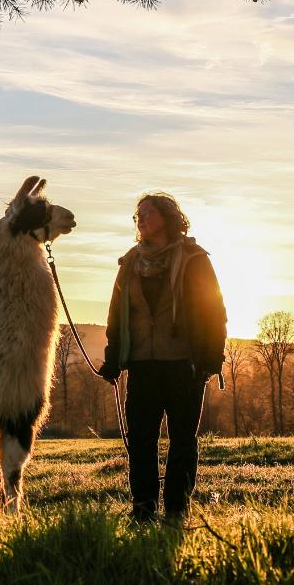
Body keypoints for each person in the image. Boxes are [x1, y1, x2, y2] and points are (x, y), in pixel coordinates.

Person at [98, 193, 227, 524]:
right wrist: (113, 359)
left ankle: (176, 511)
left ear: (168, 218)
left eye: (149, 213)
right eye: (138, 214)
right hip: (142, 366)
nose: (141, 219)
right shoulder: (129, 263)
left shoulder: (194, 259)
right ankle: (143, 511)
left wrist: (212, 357)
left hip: (184, 365)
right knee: (141, 443)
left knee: (183, 441)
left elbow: (214, 311)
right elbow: (115, 316)